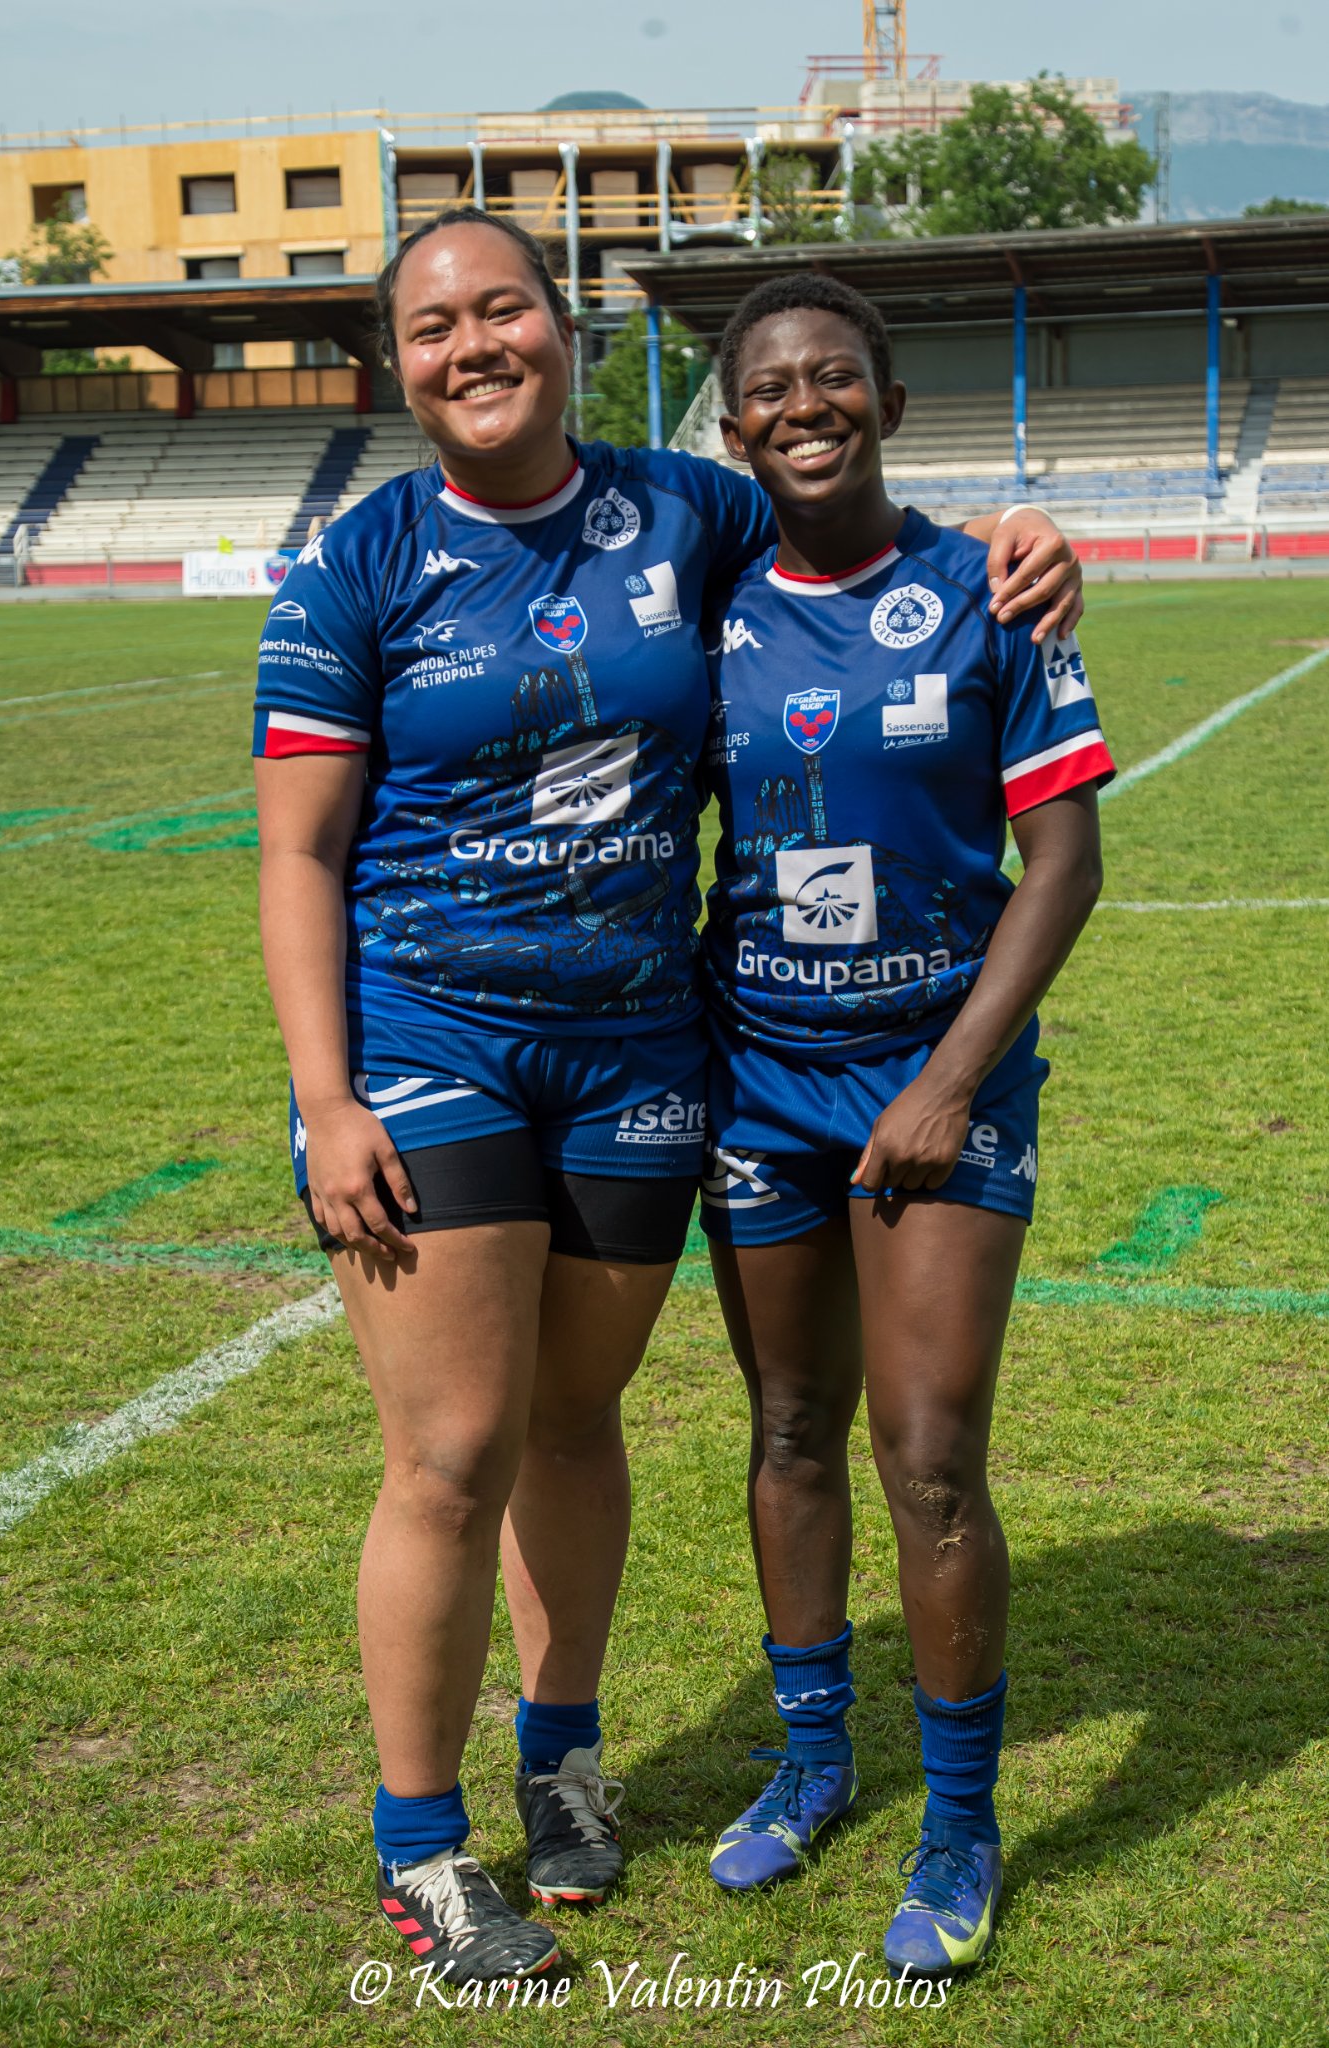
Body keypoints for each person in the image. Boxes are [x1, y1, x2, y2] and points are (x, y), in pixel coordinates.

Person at [252, 207, 1086, 1986]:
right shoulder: (352, 568)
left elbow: (856, 528)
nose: (472, 346)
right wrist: (325, 1096)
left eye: (503, 311)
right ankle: (424, 1851)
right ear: (395, 363)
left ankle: (565, 1767)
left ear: (563, 333)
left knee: (576, 1425)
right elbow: (297, 854)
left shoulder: (683, 512)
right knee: (456, 1449)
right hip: (438, 1043)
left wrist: (1022, 528)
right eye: (431, 326)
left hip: (646, 1058)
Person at [696, 273, 1113, 1977]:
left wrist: (947, 1077)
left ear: (886, 397)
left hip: (941, 1080)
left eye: (836, 377)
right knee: (791, 1428)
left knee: (927, 1456)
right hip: (756, 1079)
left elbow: (1068, 863)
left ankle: (957, 1831)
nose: (806, 405)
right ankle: (812, 1761)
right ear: (732, 433)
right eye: (772, 388)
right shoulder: (706, 591)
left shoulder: (987, 592)